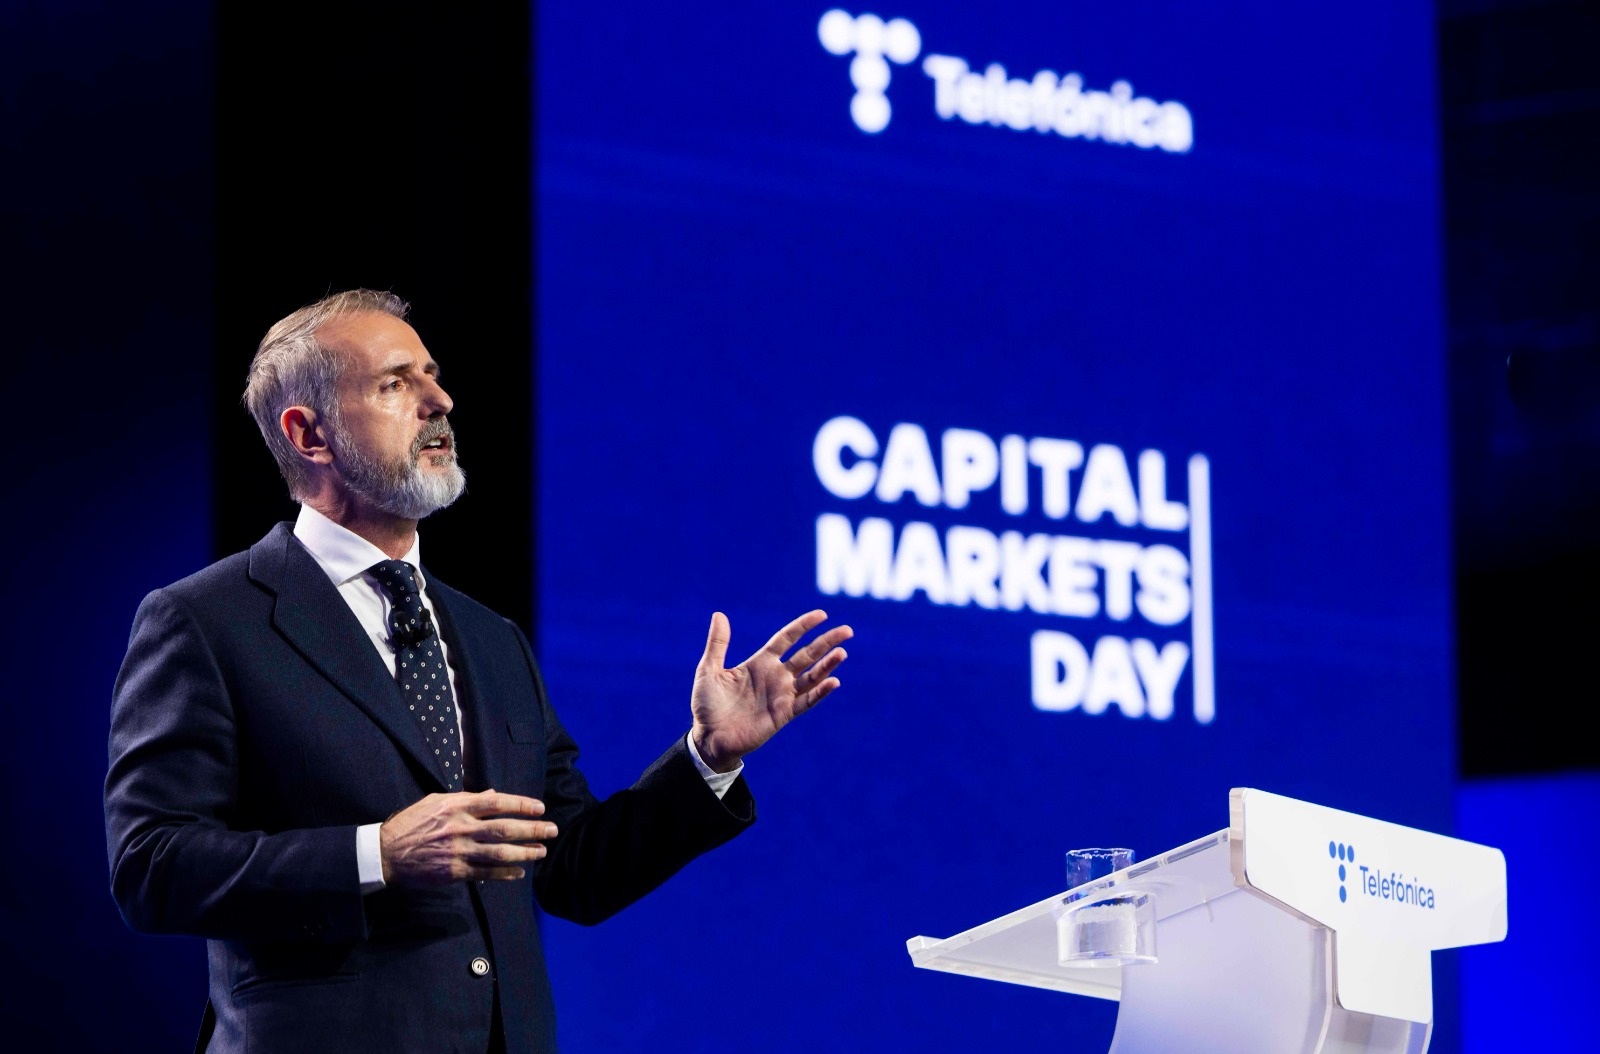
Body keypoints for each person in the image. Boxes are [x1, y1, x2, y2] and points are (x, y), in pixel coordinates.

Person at [104, 289, 851, 1053]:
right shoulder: (207, 620)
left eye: (431, 375)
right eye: (395, 383)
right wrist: (377, 854)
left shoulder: (492, 640)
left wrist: (708, 758)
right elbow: (151, 865)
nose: (440, 401)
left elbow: (573, 871)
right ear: (309, 434)